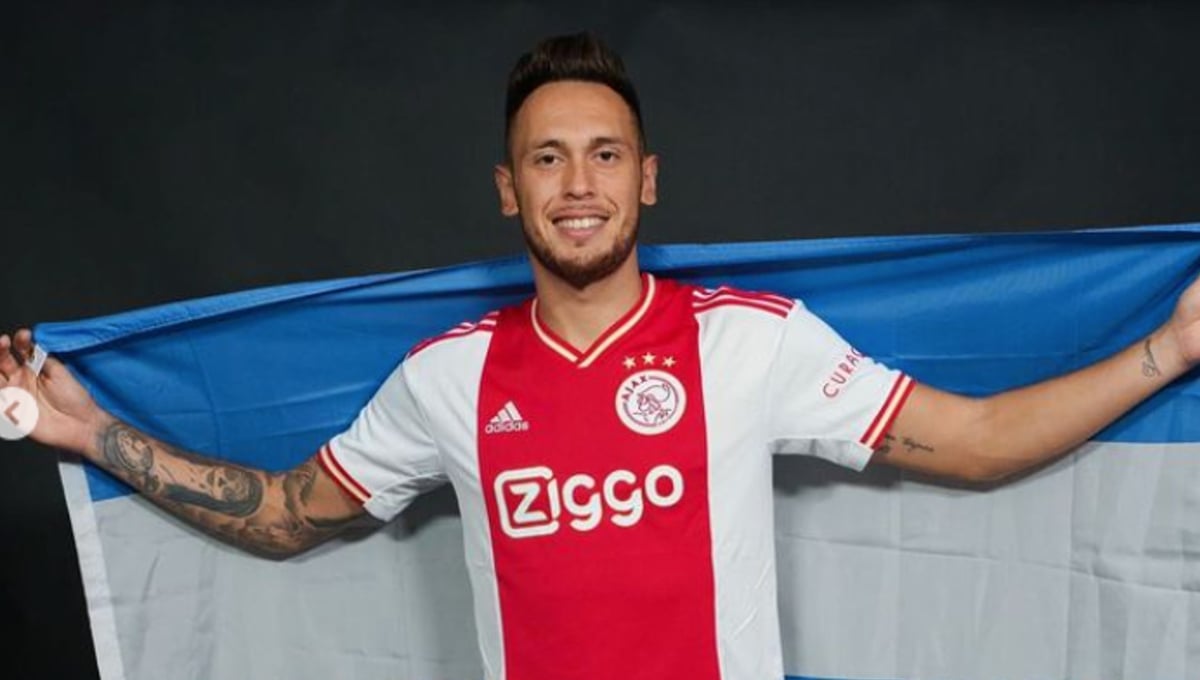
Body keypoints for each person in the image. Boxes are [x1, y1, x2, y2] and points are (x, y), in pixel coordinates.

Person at [1, 32, 1197, 680]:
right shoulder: (447, 377)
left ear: (648, 178)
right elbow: (282, 511)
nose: (579, 185)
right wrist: (86, 430)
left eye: (606, 154)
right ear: (508, 189)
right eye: (549, 158)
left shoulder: (749, 340)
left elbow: (978, 440)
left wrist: (1173, 344)